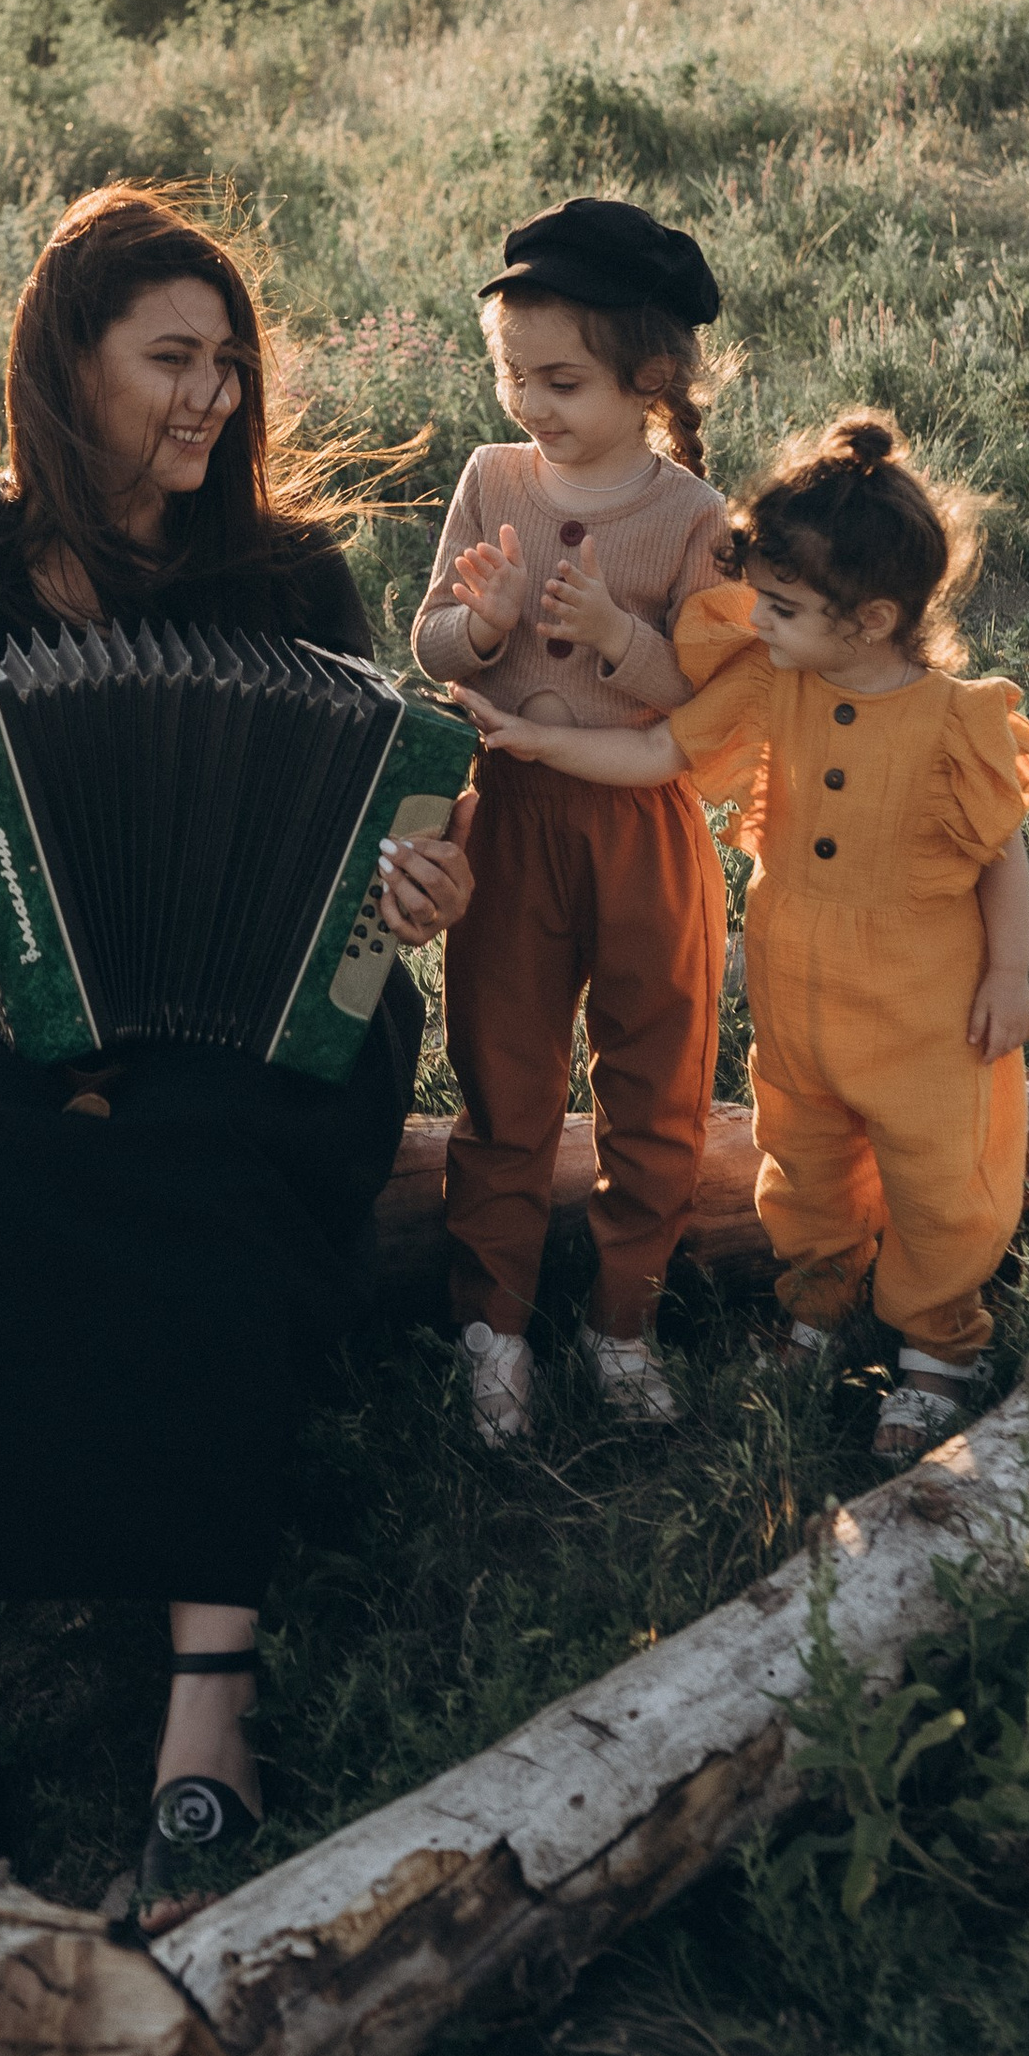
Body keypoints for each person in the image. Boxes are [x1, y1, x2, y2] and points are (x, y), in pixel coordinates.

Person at [0, 185, 475, 1930]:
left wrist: (421, 889)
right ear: (64, 366)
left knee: (213, 1130)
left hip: (245, 1008)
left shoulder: (288, 573)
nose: (212, 399)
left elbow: (375, 858)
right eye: (171, 358)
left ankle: (208, 1704)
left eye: (229, 365)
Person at [452, 412, 1029, 1470]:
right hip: (801, 994)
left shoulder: (955, 720)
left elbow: (1003, 856)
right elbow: (658, 750)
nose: (752, 621)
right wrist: (542, 738)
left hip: (924, 1009)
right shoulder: (775, 680)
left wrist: (1008, 972)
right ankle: (817, 1308)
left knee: (937, 1177)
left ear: (869, 619)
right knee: (803, 1160)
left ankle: (933, 1356)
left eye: (779, 607)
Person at [408, 198, 734, 1448]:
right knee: (505, 1073)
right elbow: (435, 640)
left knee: (655, 1076)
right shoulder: (494, 479)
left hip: (640, 824)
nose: (531, 405)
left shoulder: (691, 518)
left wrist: (615, 636)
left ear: (646, 380)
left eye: (561, 380)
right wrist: (480, 628)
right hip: (510, 821)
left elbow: (702, 702)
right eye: (510, 375)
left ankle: (620, 1319)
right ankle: (492, 1325)